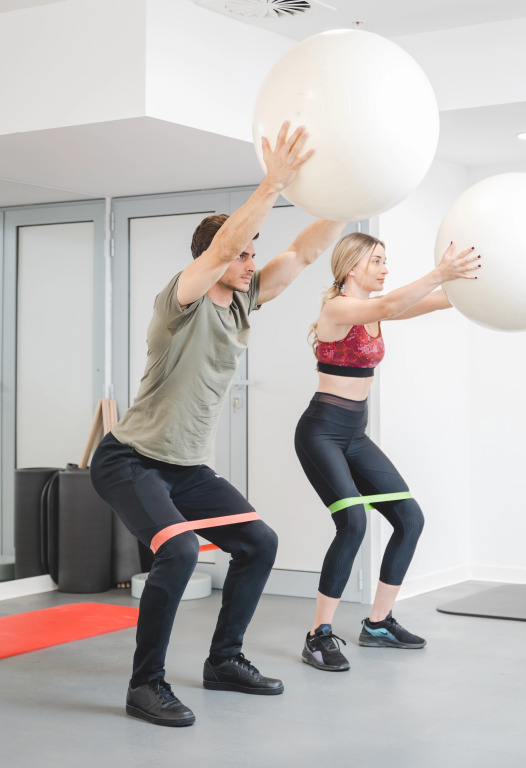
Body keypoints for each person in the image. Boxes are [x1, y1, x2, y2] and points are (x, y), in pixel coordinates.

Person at [90, 122, 348, 726]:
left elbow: (304, 252)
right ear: (216, 258)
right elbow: (222, 246)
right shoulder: (179, 302)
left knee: (259, 543)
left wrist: (348, 196)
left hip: (185, 468)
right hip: (129, 460)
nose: (251, 261)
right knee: (180, 551)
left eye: (253, 253)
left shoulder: (244, 301)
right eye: (243, 253)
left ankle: (224, 661)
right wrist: (273, 183)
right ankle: (144, 686)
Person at [294, 232, 479, 671]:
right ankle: (318, 636)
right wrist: (439, 272)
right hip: (321, 433)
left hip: (354, 435)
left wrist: (482, 284)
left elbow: (440, 301)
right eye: (376, 260)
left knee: (409, 518)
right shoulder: (338, 308)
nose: (385, 268)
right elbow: (390, 306)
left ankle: (378, 624)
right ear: (351, 266)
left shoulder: (376, 309)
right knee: (353, 523)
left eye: (385, 260)